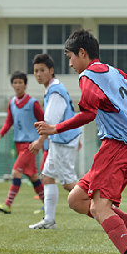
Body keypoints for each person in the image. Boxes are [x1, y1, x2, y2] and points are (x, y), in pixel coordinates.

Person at [36, 29, 127, 254]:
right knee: (76, 199)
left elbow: (88, 113)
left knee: (99, 207)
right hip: (122, 148)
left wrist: (55, 128)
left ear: (82, 53)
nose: (70, 63)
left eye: (70, 57)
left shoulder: (88, 77)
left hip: (117, 148)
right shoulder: (115, 72)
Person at [28, 54, 81, 229]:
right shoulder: (52, 87)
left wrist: (38, 142)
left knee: (68, 183)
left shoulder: (55, 90)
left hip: (63, 141)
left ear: (51, 71)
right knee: (48, 176)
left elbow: (51, 122)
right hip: (61, 140)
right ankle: (49, 220)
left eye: (42, 70)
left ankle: (103, 205)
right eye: (36, 71)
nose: (38, 74)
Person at [0, 71, 45, 214]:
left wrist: (42, 139)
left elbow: (44, 120)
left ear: (25, 84)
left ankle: (7, 204)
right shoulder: (12, 103)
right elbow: (9, 122)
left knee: (16, 172)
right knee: (33, 176)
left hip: (30, 145)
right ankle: (48, 203)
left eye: (20, 82)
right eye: (15, 82)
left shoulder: (33, 103)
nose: (17, 85)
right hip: (18, 144)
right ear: (12, 85)